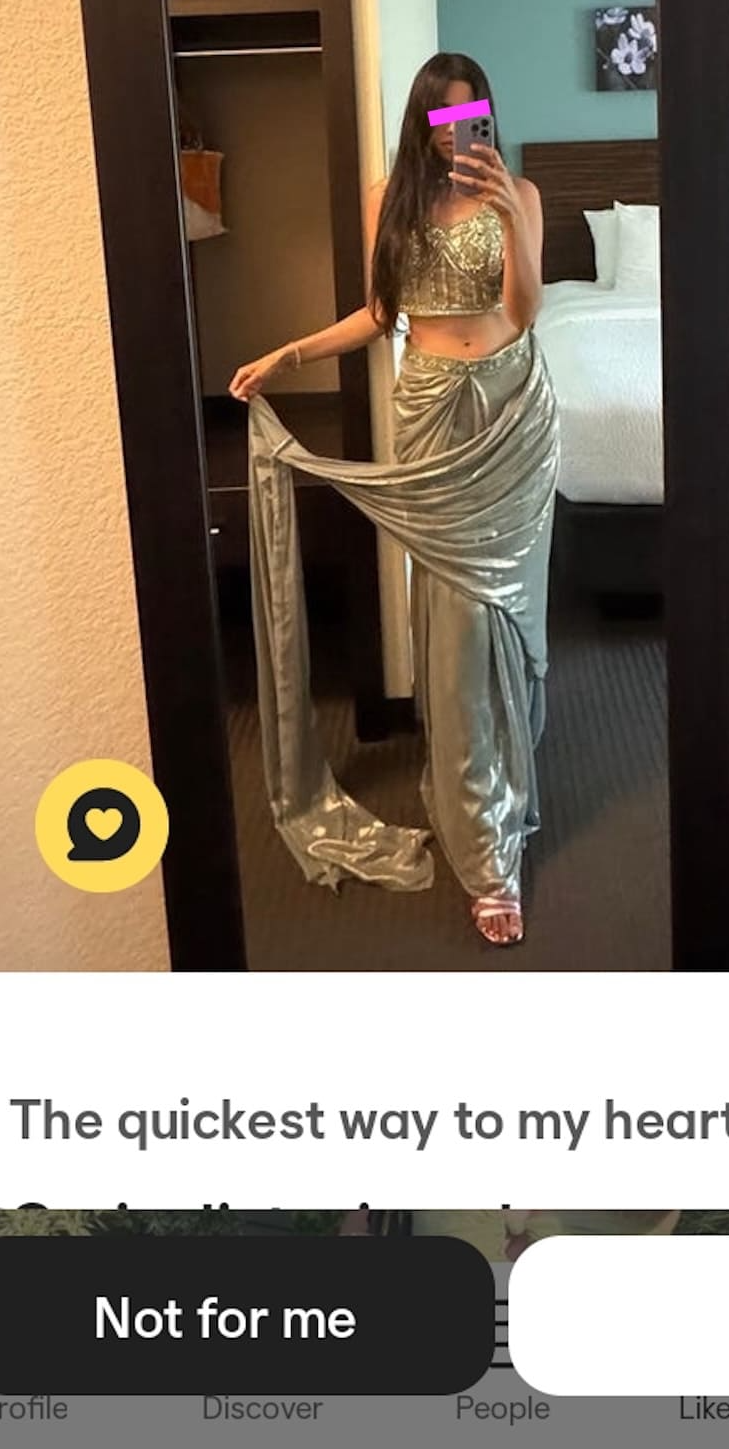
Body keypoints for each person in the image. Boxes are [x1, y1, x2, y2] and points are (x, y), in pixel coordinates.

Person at [230, 53, 559, 948]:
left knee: (504, 613)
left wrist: (508, 213)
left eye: (471, 116)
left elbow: (527, 309)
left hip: (513, 417)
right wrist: (289, 353)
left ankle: (502, 778)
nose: (459, 135)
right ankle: (487, 847)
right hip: (433, 416)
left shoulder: (521, 194)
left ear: (487, 115)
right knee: (456, 624)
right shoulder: (389, 200)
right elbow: (381, 315)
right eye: (442, 119)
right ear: (421, 120)